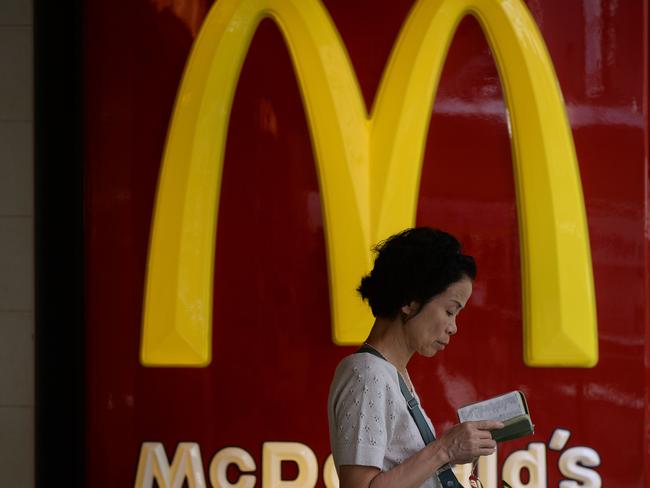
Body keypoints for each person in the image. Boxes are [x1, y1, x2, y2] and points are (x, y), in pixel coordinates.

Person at [327, 227, 502, 488]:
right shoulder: (367, 374)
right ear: (410, 300)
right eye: (449, 310)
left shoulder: (389, 373)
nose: (453, 327)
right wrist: (444, 449)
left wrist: (450, 452)